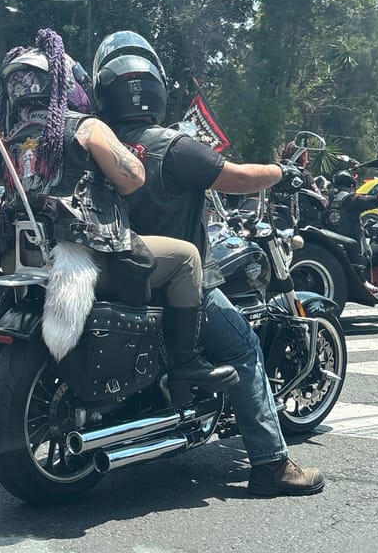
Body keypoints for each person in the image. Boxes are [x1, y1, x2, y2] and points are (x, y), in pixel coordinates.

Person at [92, 29, 325, 497]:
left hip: (111, 275)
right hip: (178, 282)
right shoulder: (175, 145)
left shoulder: (96, 142)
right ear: (155, 86)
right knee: (243, 349)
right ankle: (270, 464)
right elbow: (236, 179)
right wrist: (284, 172)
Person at [0, 27, 238, 399]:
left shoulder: (9, 136)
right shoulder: (84, 126)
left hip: (19, 260)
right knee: (187, 259)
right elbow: (133, 178)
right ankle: (186, 361)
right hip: (84, 254)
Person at [325, 168, 378, 298]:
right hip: (355, 257)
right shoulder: (351, 201)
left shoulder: (328, 201)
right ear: (352, 186)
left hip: (336, 253)